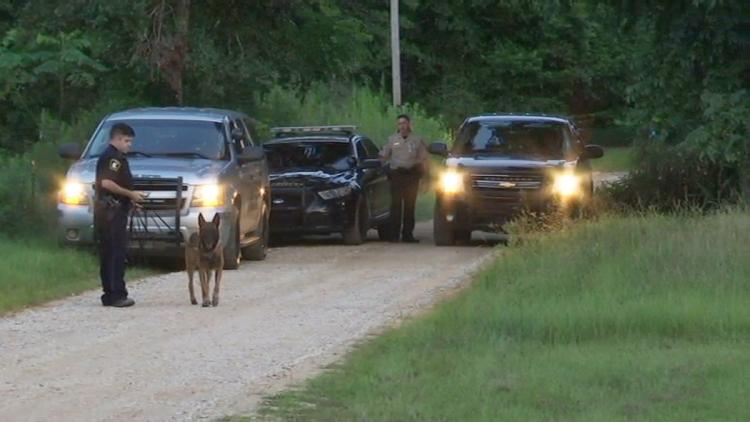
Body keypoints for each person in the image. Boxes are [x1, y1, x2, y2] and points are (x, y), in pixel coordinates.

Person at [94, 123, 144, 307]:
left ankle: (109, 293)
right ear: (116, 139)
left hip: (112, 209)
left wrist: (130, 202)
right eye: (126, 141)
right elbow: (106, 183)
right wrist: (131, 194)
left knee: (109, 251)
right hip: (111, 212)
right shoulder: (113, 158)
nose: (129, 145)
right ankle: (116, 294)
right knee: (115, 252)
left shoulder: (114, 157)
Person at [380, 114, 429, 243]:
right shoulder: (392, 139)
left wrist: (425, 177)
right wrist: (383, 167)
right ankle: (394, 235)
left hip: (412, 176)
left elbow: (424, 159)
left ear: (409, 124)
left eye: (404, 123)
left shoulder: (417, 140)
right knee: (395, 205)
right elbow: (384, 156)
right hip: (397, 175)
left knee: (409, 206)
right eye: (399, 124)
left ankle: (408, 234)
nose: (402, 126)